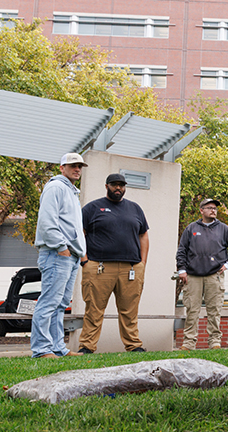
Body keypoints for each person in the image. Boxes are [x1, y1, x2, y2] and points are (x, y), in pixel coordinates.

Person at [77, 173, 149, 353]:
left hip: (131, 268)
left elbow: (143, 235)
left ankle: (133, 345)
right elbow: (79, 233)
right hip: (99, 267)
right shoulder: (92, 208)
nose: (119, 188)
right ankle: (87, 346)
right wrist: (84, 260)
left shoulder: (135, 208)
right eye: (115, 185)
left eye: (122, 185)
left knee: (129, 310)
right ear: (106, 186)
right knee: (94, 309)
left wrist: (142, 263)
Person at [30, 153, 88, 359]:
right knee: (49, 302)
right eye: (73, 165)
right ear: (62, 167)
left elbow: (73, 226)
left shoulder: (71, 191)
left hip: (69, 256)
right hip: (57, 253)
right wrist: (61, 247)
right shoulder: (55, 187)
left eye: (80, 166)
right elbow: (47, 221)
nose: (77, 169)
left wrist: (79, 253)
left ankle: (57, 348)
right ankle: (41, 349)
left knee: (60, 304)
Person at [176, 198, 228, 351]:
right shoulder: (191, 228)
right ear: (201, 210)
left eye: (215, 208)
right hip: (193, 276)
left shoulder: (224, 229)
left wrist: (227, 264)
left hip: (214, 276)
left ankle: (214, 342)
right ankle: (188, 343)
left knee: (214, 310)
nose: (213, 210)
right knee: (192, 310)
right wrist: (182, 269)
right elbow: (182, 251)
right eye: (209, 208)